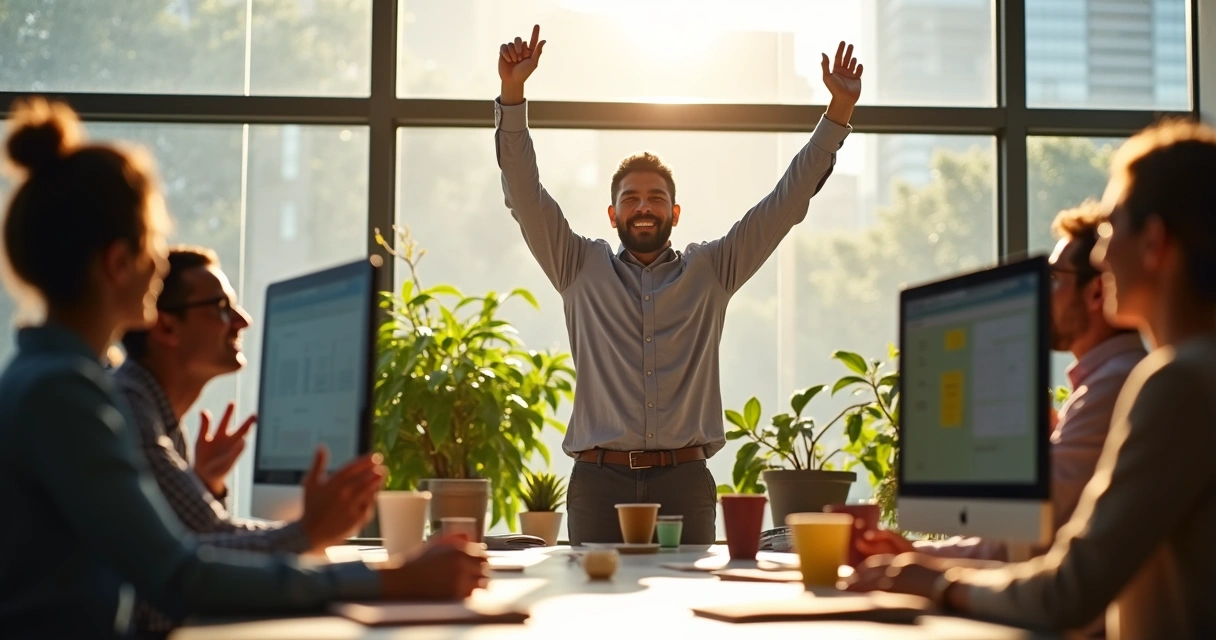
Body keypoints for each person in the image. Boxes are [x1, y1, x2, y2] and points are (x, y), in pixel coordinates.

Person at [0, 98, 485, 639]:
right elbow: (177, 575)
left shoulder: (45, 377)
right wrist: (388, 581)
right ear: (117, 263)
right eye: (153, 244)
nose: (160, 263)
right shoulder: (65, 394)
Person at [847, 119, 1216, 640]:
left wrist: (937, 583)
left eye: (1110, 229)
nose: (1099, 254)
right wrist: (925, 569)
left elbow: (1070, 590)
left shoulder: (1178, 385)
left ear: (1154, 242)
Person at [495, 25, 864, 545]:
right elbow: (524, 195)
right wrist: (513, 96)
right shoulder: (577, 264)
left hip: (684, 481)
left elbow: (785, 203)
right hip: (599, 483)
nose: (643, 206)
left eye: (655, 197)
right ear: (612, 212)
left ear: (674, 211)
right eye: (630, 198)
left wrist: (838, 113)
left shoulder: (712, 270)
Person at [114, 246, 389, 636]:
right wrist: (311, 531)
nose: (242, 321)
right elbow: (201, 556)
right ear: (166, 327)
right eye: (221, 306)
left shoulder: (156, 416)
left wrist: (200, 487)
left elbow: (188, 542)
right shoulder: (127, 406)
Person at [857, 201, 1146, 563]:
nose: (1041, 294)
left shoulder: (1114, 386)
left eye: (1054, 279)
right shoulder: (1101, 384)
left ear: (1096, 293)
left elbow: (1030, 541)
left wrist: (916, 559)